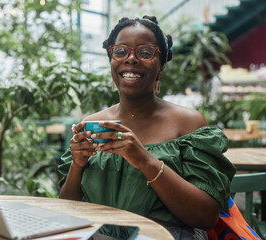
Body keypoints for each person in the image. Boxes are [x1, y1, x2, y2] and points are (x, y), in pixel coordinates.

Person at [58, 15, 236, 240]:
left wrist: (145, 160)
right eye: (120, 51)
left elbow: (205, 216)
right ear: (111, 60)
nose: (131, 59)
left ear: (161, 65)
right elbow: (66, 209)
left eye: (145, 52)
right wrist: (77, 165)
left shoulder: (189, 124)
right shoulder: (93, 123)